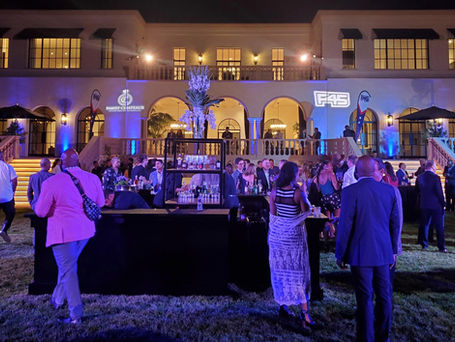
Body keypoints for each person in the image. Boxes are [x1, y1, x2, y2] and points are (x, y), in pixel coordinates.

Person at [35, 149, 104, 324]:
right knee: (68, 267)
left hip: (63, 232)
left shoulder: (52, 182)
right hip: (86, 231)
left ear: (62, 164)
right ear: (78, 161)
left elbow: (41, 212)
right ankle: (57, 299)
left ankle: (75, 315)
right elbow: (100, 202)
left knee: (68, 270)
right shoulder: (93, 178)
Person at [336, 156, 400, 342]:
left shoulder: (349, 191)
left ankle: (366, 338)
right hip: (383, 251)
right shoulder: (389, 190)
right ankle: (383, 337)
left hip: (360, 251)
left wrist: (340, 253)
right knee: (384, 296)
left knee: (364, 298)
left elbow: (345, 225)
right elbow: (394, 223)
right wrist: (393, 250)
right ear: (374, 169)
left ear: (357, 171)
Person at [268, 161, 315, 332]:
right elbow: (305, 212)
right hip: (293, 240)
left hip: (278, 239)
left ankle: (283, 308)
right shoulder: (297, 193)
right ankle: (305, 315)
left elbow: (274, 216)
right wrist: (304, 195)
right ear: (293, 175)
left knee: (281, 273)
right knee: (298, 275)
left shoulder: (274, 192)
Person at [373, 158, 403, 289]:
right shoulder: (359, 190)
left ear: (381, 171)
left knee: (385, 287)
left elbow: (397, 222)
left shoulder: (391, 191)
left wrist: (394, 249)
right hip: (367, 247)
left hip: (386, 246)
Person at [416, 160, 447, 253]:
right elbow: (439, 192)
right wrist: (443, 203)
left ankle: (424, 244)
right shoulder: (435, 178)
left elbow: (417, 191)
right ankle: (441, 246)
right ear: (433, 167)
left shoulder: (420, 177)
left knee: (425, 225)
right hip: (435, 205)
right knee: (439, 226)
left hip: (424, 204)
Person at [314, 159, 340, 237]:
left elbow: (318, 190)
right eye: (330, 165)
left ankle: (326, 241)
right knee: (337, 219)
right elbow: (336, 187)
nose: (332, 167)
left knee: (327, 221)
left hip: (324, 199)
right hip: (333, 198)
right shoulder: (330, 173)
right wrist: (339, 183)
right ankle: (336, 240)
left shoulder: (317, 176)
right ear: (325, 166)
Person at [0, 151, 17, 243]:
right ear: (1, 156)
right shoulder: (8, 167)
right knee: (10, 214)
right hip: (7, 196)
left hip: (7, 195)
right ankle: (4, 229)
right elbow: (14, 181)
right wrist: (12, 191)